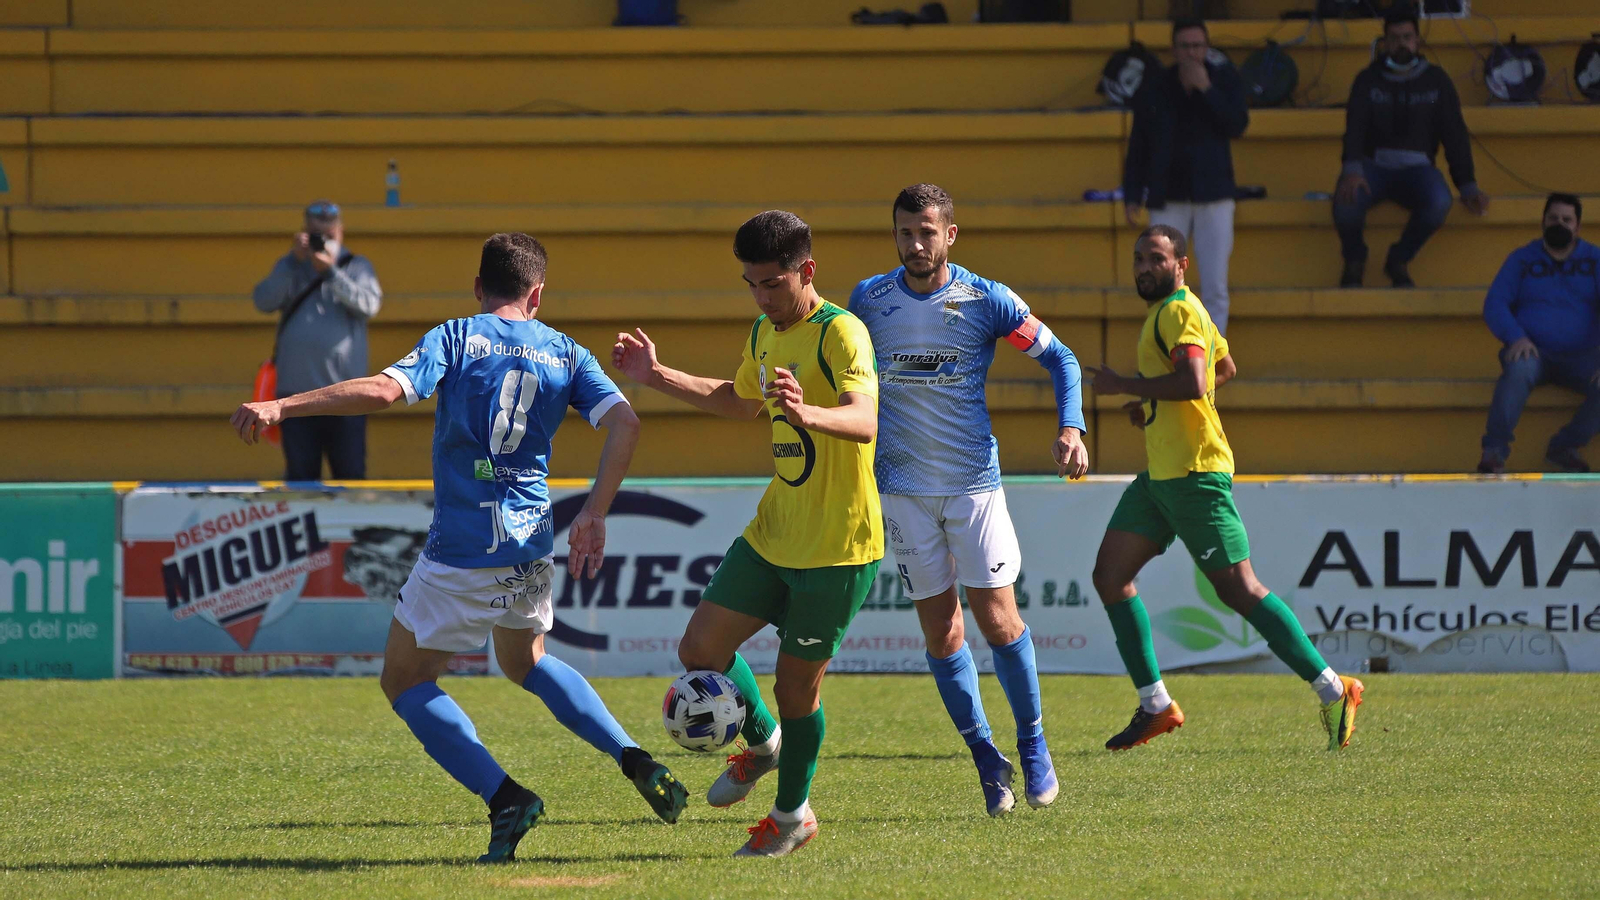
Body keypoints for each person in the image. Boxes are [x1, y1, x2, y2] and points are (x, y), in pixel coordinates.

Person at [230, 233, 687, 863]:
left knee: (403, 680)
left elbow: (386, 392)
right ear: (537, 293)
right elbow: (626, 423)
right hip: (529, 542)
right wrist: (595, 515)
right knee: (525, 661)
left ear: (478, 288)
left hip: (463, 549)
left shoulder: (455, 336)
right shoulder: (567, 351)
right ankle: (632, 757)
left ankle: (506, 799)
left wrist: (282, 404)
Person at [612, 210, 881, 858]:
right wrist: (656, 376)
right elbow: (737, 398)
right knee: (699, 648)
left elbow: (865, 419)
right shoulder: (765, 331)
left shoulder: (841, 333)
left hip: (837, 548)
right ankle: (761, 746)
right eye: (751, 285)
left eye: (773, 283)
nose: (762, 297)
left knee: (797, 690)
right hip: (774, 534)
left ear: (806, 271)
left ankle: (792, 819)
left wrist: (803, 410)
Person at [848, 184, 1088, 817]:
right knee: (940, 629)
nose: (915, 244)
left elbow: (1062, 358)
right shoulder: (868, 301)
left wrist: (1072, 426)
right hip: (900, 491)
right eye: (905, 232)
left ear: (950, 234)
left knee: (998, 619)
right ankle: (986, 758)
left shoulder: (987, 300)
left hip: (972, 486)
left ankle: (1033, 744)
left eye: (927, 231)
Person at [1085, 225, 1365, 753]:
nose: (1145, 267)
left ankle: (1336, 688)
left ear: (1181, 264)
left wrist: (1128, 386)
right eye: (1139, 258)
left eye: (1156, 259)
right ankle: (1156, 706)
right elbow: (1225, 367)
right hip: (1162, 477)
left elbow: (1195, 381)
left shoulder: (1179, 312)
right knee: (1110, 575)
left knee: (1239, 588)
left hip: (1193, 475)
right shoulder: (1177, 312)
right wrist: (1151, 407)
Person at [1332, 7, 1490, 288]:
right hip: (1373, 168)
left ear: (1417, 40)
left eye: (1407, 37)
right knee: (1345, 202)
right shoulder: (1367, 80)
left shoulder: (1436, 82)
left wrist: (1467, 184)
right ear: (1385, 41)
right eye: (1394, 38)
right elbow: (1354, 128)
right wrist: (1352, 170)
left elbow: (1453, 133)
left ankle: (1399, 259)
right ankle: (1354, 260)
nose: (1401, 43)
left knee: (1440, 201)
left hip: (1419, 169)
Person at [1122, 17, 1249, 333]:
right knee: (1161, 280)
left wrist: (1206, 89)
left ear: (1206, 49)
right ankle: (1167, 350)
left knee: (1214, 283)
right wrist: (1133, 194)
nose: (1192, 53)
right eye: (1185, 46)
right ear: (1173, 50)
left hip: (1215, 194)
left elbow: (1238, 124)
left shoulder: (1222, 78)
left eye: (1198, 46)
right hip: (1168, 195)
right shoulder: (1156, 87)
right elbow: (1139, 144)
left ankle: (1211, 359)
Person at [252, 200, 384, 479]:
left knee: (350, 478)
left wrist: (331, 272)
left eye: (329, 235)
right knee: (301, 480)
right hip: (295, 398)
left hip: (347, 398)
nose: (322, 241)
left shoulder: (356, 266)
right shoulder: (291, 266)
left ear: (341, 232)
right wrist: (292, 262)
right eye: (315, 235)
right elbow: (263, 301)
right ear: (303, 233)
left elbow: (369, 305)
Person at [1478, 193, 1600, 474]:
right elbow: (1495, 302)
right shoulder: (1521, 259)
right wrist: (1515, 336)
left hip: (1585, 357)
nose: (1560, 224)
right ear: (1542, 222)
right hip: (1532, 352)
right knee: (1518, 371)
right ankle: (1494, 452)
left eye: (1567, 220)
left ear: (1578, 227)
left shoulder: (1595, 260)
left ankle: (1564, 447)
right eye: (1553, 218)